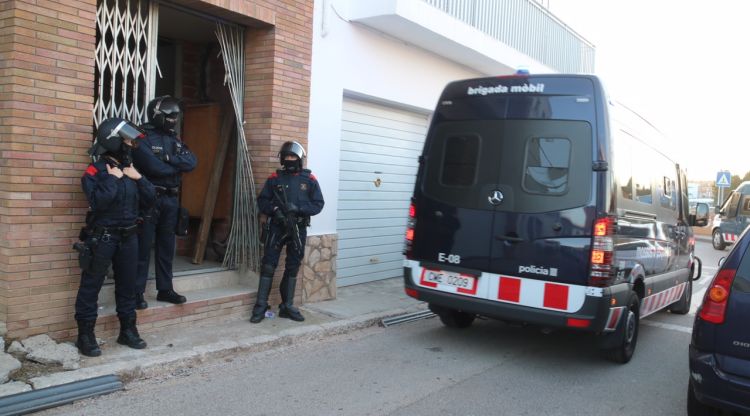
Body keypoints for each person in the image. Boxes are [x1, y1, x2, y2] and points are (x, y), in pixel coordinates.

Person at [74, 117, 155, 357]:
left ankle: (127, 330)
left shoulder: (130, 170)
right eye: (126, 140)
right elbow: (98, 203)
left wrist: (138, 178)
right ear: (112, 141)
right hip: (103, 238)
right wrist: (112, 179)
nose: (130, 145)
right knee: (91, 286)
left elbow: (151, 200)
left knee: (128, 286)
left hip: (129, 237)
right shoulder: (95, 172)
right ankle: (85, 336)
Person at [132, 96, 197, 309]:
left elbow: (191, 162)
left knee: (167, 247)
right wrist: (175, 165)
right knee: (143, 247)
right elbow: (152, 167)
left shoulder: (174, 139)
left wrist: (168, 160)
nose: (174, 120)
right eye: (170, 116)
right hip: (150, 199)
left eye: (176, 116)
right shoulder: (143, 137)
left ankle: (165, 289)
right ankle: (136, 292)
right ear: (158, 116)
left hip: (171, 199)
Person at [251, 141, 325, 323]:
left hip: (297, 227)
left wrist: (298, 208)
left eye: (293, 157)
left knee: (293, 266)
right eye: (287, 157)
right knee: (269, 265)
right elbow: (262, 201)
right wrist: (275, 210)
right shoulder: (274, 178)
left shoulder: (310, 180)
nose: (290, 159)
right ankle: (261, 306)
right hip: (277, 227)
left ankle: (287, 306)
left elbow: (318, 204)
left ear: (299, 159)